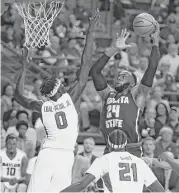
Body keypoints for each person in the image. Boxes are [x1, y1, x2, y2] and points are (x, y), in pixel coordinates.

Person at [14, 9, 100, 192]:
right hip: (65, 156)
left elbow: (19, 97)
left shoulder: (42, 106)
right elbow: (86, 65)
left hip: (46, 155)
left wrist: (23, 68)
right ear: (60, 88)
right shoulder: (70, 98)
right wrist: (90, 31)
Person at [90, 23, 161, 157]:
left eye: (123, 76)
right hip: (110, 148)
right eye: (118, 76)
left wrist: (155, 41)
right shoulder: (107, 94)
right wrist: (114, 49)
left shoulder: (137, 95)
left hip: (131, 148)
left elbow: (152, 67)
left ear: (133, 83)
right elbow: (95, 71)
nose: (118, 77)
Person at [61, 130, 165, 192]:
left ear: (109, 145)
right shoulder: (139, 162)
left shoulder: (104, 160)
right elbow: (159, 190)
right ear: (125, 145)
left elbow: (81, 185)